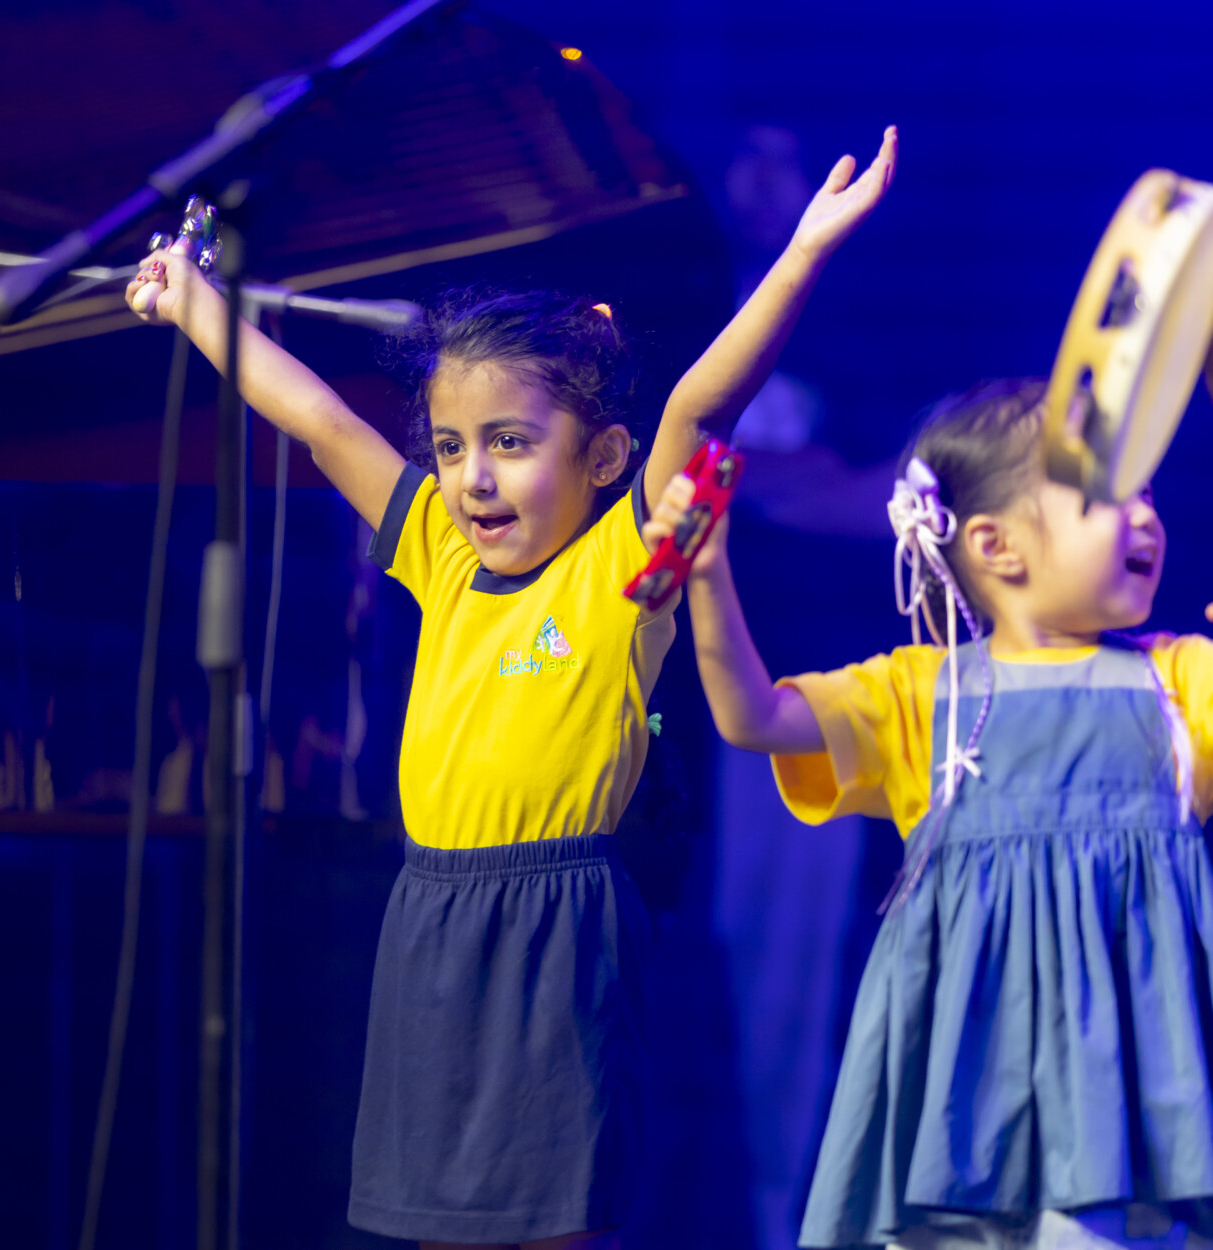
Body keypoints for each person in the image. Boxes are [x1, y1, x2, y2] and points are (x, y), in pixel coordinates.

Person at [126, 126, 896, 1250]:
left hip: (561, 931)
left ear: (601, 460)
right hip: (429, 924)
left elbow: (699, 409)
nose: (472, 475)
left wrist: (802, 255)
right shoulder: (437, 547)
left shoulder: (621, 569)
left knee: (550, 1230)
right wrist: (197, 307)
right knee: (438, 1222)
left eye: (509, 442)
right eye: (449, 444)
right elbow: (319, 418)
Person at [646, 377, 1213, 1249]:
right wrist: (709, 573)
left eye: (1143, 489)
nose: (1142, 515)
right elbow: (754, 718)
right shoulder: (922, 694)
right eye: (1107, 495)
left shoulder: (1179, 680)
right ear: (997, 545)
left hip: (1127, 1094)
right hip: (967, 1086)